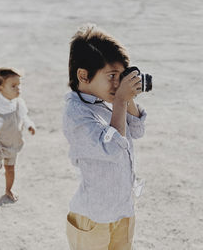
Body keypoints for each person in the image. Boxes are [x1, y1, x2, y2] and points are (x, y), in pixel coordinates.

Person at [63, 24, 147, 250]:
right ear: (83, 75)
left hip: (122, 210)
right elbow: (111, 148)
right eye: (111, 76)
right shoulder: (76, 114)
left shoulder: (106, 102)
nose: (117, 84)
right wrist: (120, 101)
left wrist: (127, 99)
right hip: (93, 217)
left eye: (121, 77)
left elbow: (137, 130)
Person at [0, 68, 35, 209]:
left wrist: (29, 125)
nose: (18, 89)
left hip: (12, 143)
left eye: (19, 85)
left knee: (10, 169)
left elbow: (23, 116)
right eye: (13, 86)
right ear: (0, 88)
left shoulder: (18, 102)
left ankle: (8, 190)